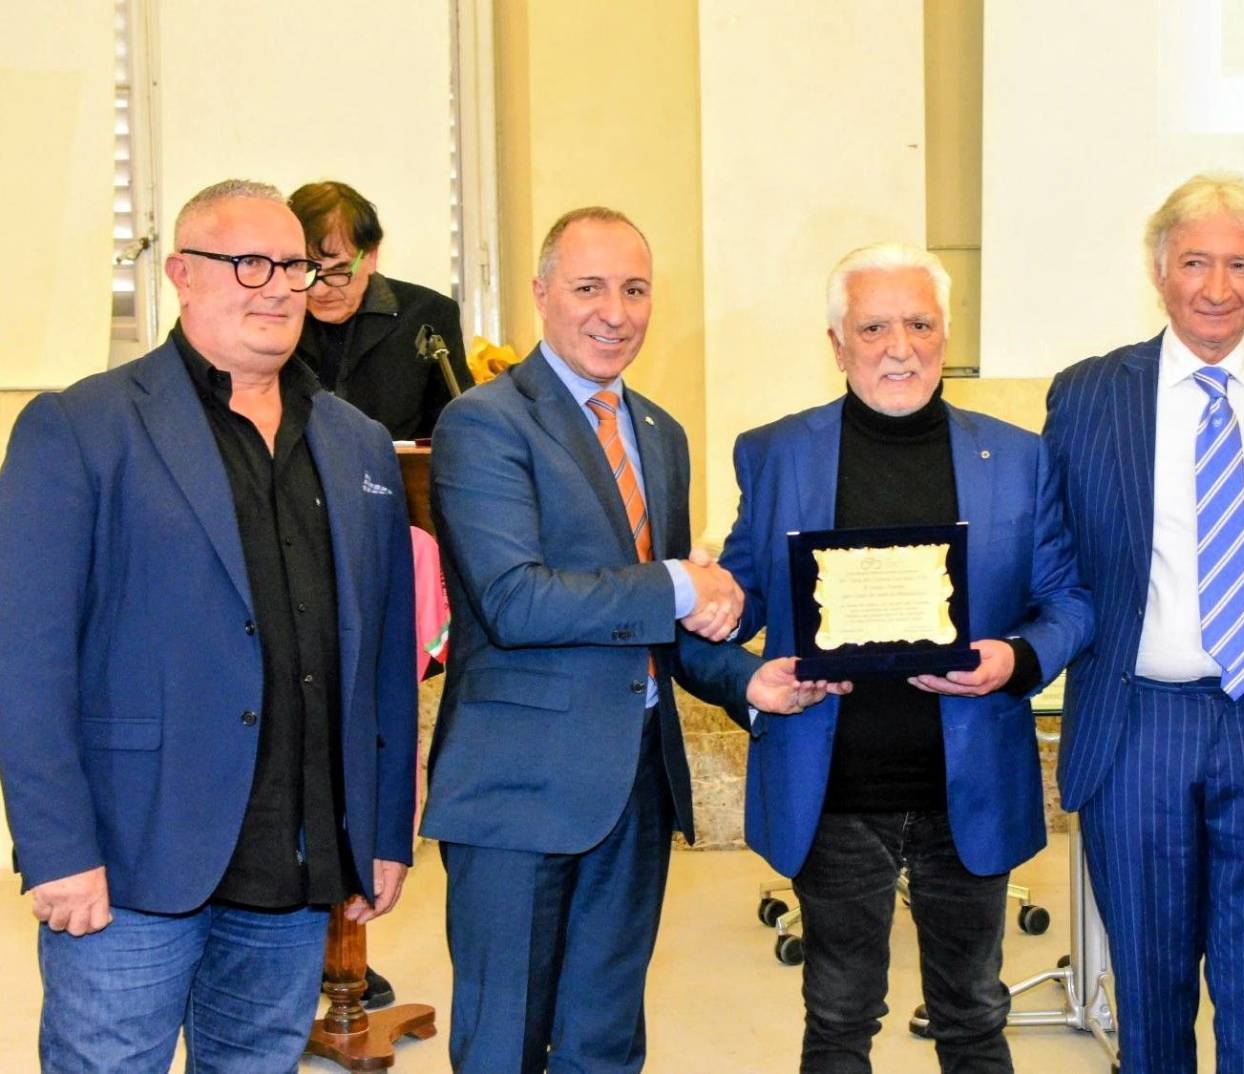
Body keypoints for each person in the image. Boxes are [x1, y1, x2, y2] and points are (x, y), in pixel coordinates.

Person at [0, 179, 418, 1074]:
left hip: (298, 860)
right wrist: (57, 848)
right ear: (182, 274)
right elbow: (26, 660)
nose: (278, 287)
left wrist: (382, 830)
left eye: (296, 268)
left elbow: (384, 659)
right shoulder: (79, 427)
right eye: (249, 263)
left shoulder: (357, 444)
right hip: (132, 861)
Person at [421, 206, 816, 1074]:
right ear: (540, 294)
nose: (615, 312)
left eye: (635, 290)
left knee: (604, 1045)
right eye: (589, 287)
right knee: (503, 1047)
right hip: (517, 789)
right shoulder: (484, 423)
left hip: (635, 784)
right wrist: (681, 582)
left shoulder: (661, 434)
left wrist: (747, 680)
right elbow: (514, 601)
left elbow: (655, 622)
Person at [712, 242, 1095, 1072]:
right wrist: (727, 640)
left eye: (920, 325)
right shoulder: (775, 453)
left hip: (969, 787)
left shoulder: (1020, 458)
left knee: (973, 1017)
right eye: (874, 327)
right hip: (835, 789)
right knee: (839, 1019)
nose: (901, 348)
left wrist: (1017, 659)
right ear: (836, 342)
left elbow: (1069, 600)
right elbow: (739, 596)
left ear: (945, 334)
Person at [1042, 173, 1244, 1074]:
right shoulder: (1088, 394)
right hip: (1137, 726)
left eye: (1241, 265)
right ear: (1158, 270)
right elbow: (1049, 553)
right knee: (1150, 1003)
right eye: (1195, 263)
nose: (1218, 288)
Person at [288, 180, 471, 439]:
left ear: (371, 257)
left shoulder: (428, 315)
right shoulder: (275, 314)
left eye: (339, 270)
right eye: (304, 268)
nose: (318, 290)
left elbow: (457, 428)